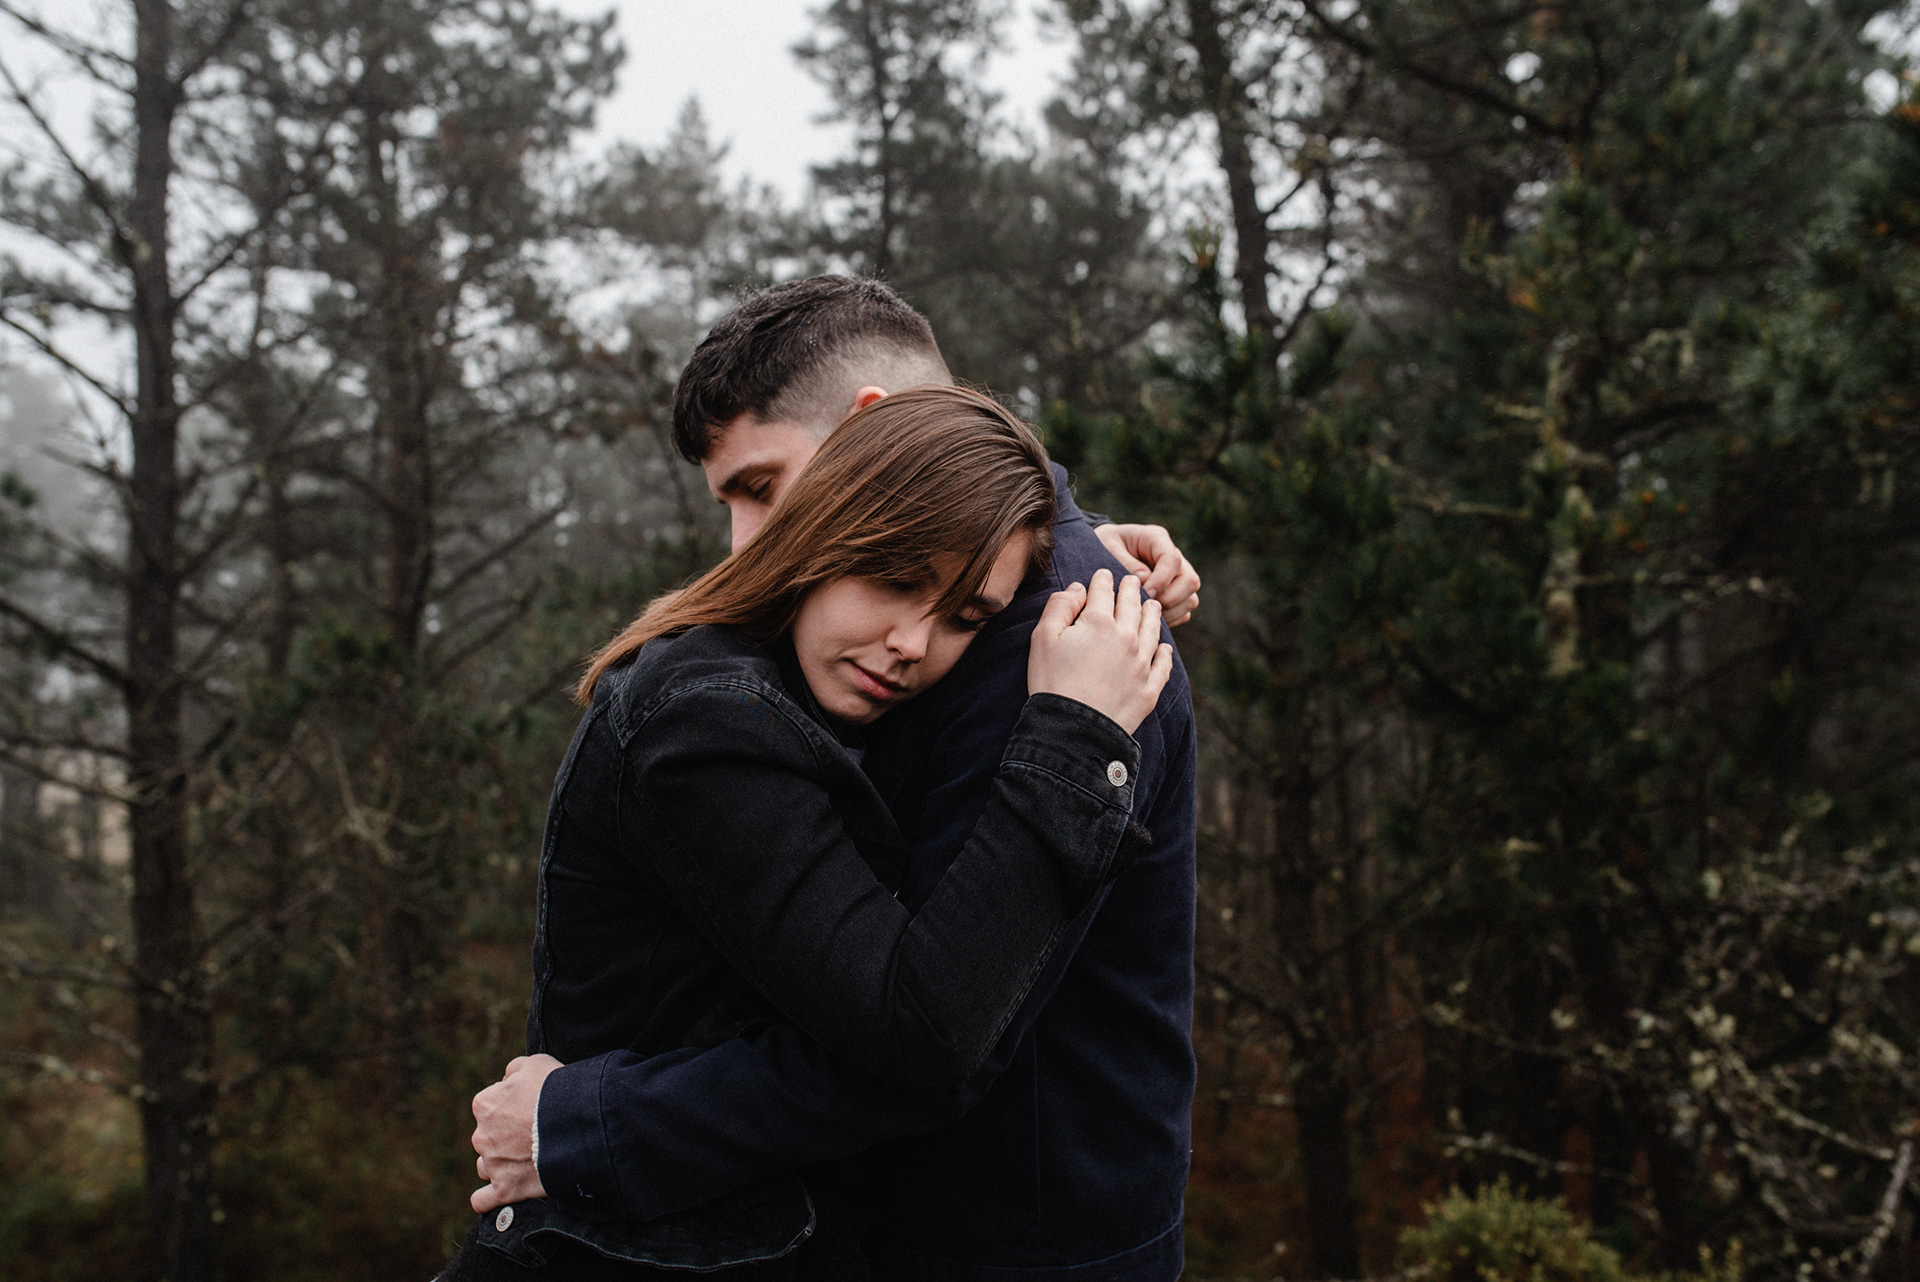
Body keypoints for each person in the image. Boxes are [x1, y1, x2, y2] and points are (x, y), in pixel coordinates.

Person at [470, 277, 1201, 1280]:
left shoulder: (1064, 653)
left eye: (762, 485)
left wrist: (585, 1124)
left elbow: (935, 1033)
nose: (746, 539)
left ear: (869, 430)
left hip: (1001, 1247)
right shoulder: (981, 608)